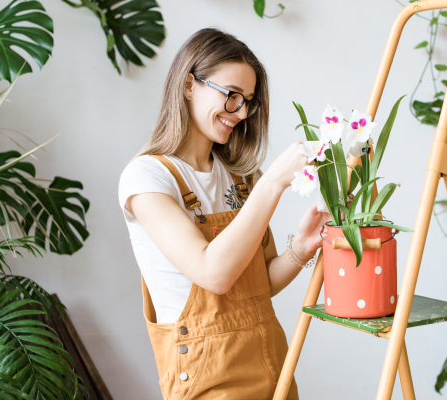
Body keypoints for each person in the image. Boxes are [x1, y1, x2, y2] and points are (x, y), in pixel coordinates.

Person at [118, 27, 330, 399]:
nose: (242, 112)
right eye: (232, 96)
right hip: (206, 374)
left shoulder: (242, 177)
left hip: (270, 361)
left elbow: (256, 288)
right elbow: (213, 274)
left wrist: (300, 249)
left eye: (248, 101)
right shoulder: (146, 177)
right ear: (188, 85)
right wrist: (274, 182)